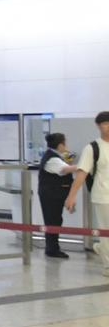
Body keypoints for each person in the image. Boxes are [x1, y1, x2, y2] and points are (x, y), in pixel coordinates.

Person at [64, 111, 109, 274]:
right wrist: (72, 196)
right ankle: (108, 265)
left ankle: (100, 247)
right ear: (98, 126)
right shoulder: (92, 148)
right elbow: (82, 173)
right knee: (106, 230)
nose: (108, 127)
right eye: (105, 124)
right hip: (103, 195)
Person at [36, 132, 77, 260]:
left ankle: (53, 248)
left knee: (56, 220)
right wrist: (83, 166)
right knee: (52, 221)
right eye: (65, 143)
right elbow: (64, 169)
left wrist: (68, 156)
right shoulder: (52, 159)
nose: (66, 145)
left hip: (53, 194)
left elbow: (67, 162)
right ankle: (52, 249)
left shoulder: (55, 155)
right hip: (50, 195)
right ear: (60, 144)